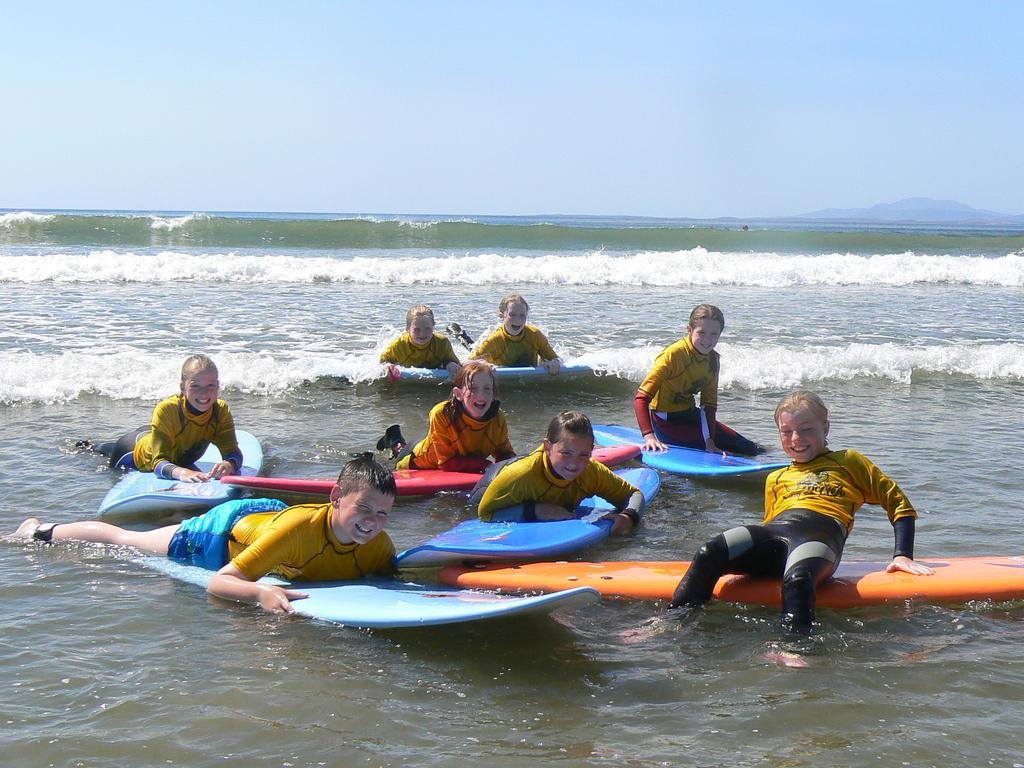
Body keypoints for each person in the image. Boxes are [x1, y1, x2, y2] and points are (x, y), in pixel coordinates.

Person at [669, 391, 933, 632]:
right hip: (776, 534)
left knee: (797, 579)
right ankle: (670, 625)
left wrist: (903, 555)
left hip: (820, 538)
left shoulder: (848, 461)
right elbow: (769, 523)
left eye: (806, 429)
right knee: (709, 552)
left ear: (825, 427)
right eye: (787, 432)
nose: (796, 439)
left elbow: (898, 502)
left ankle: (796, 651)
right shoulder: (776, 477)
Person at [16, 455, 397, 614]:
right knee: (128, 541)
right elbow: (221, 582)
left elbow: (394, 579)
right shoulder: (298, 531)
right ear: (335, 498)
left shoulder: (379, 544)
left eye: (382, 514)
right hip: (220, 533)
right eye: (362, 508)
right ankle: (40, 531)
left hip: (266, 519)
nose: (371, 521)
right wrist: (262, 592)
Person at [472, 410, 644, 536]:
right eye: (566, 453)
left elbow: (633, 494)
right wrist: (535, 511)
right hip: (491, 484)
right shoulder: (520, 476)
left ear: (591, 451)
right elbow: (485, 514)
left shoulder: (591, 471)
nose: (574, 464)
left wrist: (628, 516)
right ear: (548, 447)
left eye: (583, 455)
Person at [89, 354, 242, 482]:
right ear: (182, 387)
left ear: (218, 385)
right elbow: (158, 463)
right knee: (104, 452)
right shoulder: (167, 409)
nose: (204, 393)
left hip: (157, 438)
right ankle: (89, 446)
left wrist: (229, 464)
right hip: (132, 453)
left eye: (210, 386)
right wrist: (183, 473)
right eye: (195, 386)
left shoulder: (221, 410)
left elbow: (233, 452)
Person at [634, 303, 761, 456]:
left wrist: (709, 441)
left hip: (690, 416)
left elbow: (708, 406)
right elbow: (641, 399)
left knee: (748, 447)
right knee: (726, 448)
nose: (707, 340)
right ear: (690, 330)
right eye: (701, 332)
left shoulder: (713, 360)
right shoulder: (672, 356)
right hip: (665, 422)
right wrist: (649, 437)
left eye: (714, 334)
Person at [381, 360, 515, 473]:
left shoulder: (497, 418)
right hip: (415, 460)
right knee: (397, 454)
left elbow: (505, 454)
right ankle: (394, 439)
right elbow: (446, 463)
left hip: (441, 449)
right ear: (458, 394)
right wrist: (484, 465)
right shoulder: (442, 413)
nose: (481, 395)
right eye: (473, 388)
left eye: (487, 389)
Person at [471, 293, 562, 374]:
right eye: (512, 315)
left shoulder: (535, 335)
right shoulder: (495, 340)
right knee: (471, 347)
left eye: (522, 315)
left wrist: (555, 363)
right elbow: (466, 363)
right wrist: (483, 365)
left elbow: (556, 359)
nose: (518, 320)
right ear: (502, 316)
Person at [380, 305, 461, 380]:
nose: (422, 334)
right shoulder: (399, 345)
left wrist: (450, 363)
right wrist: (387, 366)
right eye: (416, 329)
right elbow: (383, 361)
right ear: (408, 328)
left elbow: (456, 363)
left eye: (427, 328)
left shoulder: (442, 343)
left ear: (433, 326)